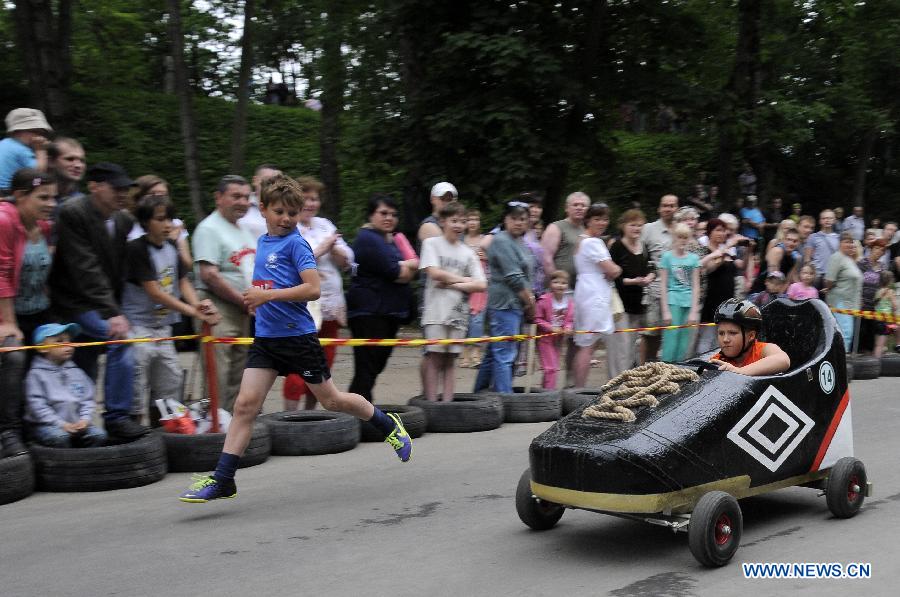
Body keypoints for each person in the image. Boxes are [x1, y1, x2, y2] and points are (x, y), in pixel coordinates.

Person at [178, 176, 412, 503]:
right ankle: (223, 479)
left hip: (298, 339)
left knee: (332, 401)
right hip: (267, 340)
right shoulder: (262, 242)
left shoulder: (296, 243)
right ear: (263, 210)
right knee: (245, 406)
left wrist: (267, 296)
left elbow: (312, 289)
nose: (286, 218)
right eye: (279, 211)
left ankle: (388, 424)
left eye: (292, 212)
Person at [48, 162, 147, 440]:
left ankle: (81, 424)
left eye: (125, 189)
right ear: (94, 187)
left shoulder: (124, 220)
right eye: (115, 188)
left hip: (102, 302)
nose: (121, 194)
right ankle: (116, 417)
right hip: (74, 303)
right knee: (119, 340)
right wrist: (112, 312)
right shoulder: (73, 213)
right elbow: (85, 268)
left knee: (85, 361)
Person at [123, 194, 220, 420]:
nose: (167, 225)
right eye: (160, 219)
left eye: (170, 219)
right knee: (138, 374)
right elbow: (154, 291)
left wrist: (198, 304)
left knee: (172, 376)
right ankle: (135, 423)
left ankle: (165, 422)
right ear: (146, 222)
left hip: (163, 326)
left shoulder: (170, 247)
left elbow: (182, 281)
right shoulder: (136, 249)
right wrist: (191, 311)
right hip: (138, 326)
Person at [281, 177, 354, 410]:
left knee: (324, 364)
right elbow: (294, 261)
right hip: (303, 306)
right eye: (306, 198)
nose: (311, 203)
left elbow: (347, 259)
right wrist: (325, 247)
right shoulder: (288, 227)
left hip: (330, 304)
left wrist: (338, 253)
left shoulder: (325, 224)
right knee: (298, 364)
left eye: (315, 198)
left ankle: (310, 417)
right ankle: (289, 418)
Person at [0, 169, 55, 457]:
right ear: (20, 195)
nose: (50, 203)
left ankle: (40, 425)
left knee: (54, 352)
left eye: (53, 198)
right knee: (15, 355)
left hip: (37, 309)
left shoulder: (44, 226)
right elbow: (2, 273)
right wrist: (9, 322)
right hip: (7, 312)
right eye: (42, 197)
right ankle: (8, 431)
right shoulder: (5, 219)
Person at [192, 175, 257, 412]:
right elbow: (209, 274)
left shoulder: (244, 230)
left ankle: (232, 422)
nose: (242, 202)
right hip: (218, 307)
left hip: (243, 309)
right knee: (217, 372)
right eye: (236, 196)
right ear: (219, 198)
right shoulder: (209, 229)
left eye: (246, 197)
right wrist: (244, 301)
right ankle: (215, 426)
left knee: (239, 373)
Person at [346, 194, 418, 402]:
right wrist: (408, 265)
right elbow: (400, 273)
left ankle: (357, 408)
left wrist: (408, 267)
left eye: (394, 214)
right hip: (369, 313)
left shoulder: (389, 239)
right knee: (367, 367)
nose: (389, 218)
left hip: (387, 312)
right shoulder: (368, 239)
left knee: (374, 366)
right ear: (371, 215)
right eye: (383, 213)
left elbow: (411, 270)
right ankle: (360, 412)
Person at [419, 201, 486, 401]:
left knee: (450, 359)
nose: (458, 225)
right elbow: (433, 272)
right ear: (443, 222)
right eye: (453, 221)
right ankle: (431, 402)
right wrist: (465, 280)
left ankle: (447, 404)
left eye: (462, 221)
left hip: (458, 313)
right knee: (434, 356)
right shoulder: (431, 244)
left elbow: (481, 284)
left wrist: (453, 284)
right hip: (435, 310)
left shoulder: (468, 252)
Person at [474, 201, 535, 394]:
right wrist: (530, 301)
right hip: (505, 304)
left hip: (516, 304)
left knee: (495, 353)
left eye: (523, 219)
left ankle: (478, 394)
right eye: (514, 218)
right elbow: (514, 277)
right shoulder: (501, 240)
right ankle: (505, 400)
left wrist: (527, 301)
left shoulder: (520, 242)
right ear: (505, 219)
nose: (518, 222)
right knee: (505, 354)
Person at [24, 323, 107, 448]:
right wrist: (61, 424)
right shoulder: (36, 375)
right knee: (59, 437)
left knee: (99, 435)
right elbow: (37, 406)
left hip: (76, 424)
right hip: (47, 425)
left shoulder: (77, 372)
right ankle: (62, 463)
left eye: (69, 340)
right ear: (42, 348)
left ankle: (88, 462)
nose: (68, 345)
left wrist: (84, 420)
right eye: (60, 341)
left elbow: (88, 399)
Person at [571, 203, 622, 387]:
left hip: (586, 290)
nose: (602, 223)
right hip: (593, 294)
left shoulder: (581, 240)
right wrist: (617, 268)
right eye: (597, 219)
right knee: (588, 345)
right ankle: (579, 390)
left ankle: (578, 388)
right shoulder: (593, 242)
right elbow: (613, 270)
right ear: (588, 220)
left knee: (586, 344)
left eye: (605, 219)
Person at [608, 209, 652, 376]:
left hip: (638, 303)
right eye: (632, 224)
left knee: (631, 346)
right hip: (620, 304)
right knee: (620, 347)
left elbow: (650, 267)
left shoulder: (643, 246)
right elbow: (614, 277)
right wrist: (633, 281)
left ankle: (626, 381)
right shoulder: (617, 247)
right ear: (623, 226)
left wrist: (650, 276)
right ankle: (614, 383)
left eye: (639, 225)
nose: (636, 228)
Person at [639, 194, 678, 362]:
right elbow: (640, 254)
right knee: (650, 333)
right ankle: (643, 369)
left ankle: (659, 370)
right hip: (655, 288)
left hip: (677, 290)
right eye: (665, 205)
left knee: (669, 334)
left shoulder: (682, 229)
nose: (668, 208)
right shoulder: (649, 229)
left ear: (677, 208)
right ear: (659, 208)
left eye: (672, 205)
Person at [696, 218, 744, 354]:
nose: (722, 233)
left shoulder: (728, 252)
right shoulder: (706, 250)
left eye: (724, 231)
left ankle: (715, 367)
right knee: (707, 337)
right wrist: (728, 247)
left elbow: (739, 269)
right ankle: (701, 365)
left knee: (722, 338)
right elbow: (709, 268)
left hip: (727, 301)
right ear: (709, 232)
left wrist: (749, 250)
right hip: (711, 300)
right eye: (718, 230)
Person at [709, 299, 790, 375]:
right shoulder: (718, 360)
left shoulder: (763, 350)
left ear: (751, 336)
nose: (725, 339)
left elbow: (783, 360)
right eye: (721, 333)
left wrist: (739, 371)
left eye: (732, 333)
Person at [127, 175, 193, 270]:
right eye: (153, 194)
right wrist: (168, 240)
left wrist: (176, 244)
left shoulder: (176, 224)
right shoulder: (129, 226)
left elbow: (188, 265)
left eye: (164, 195)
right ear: (139, 197)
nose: (159, 199)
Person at [659, 223, 700, 363]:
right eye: (679, 237)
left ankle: (679, 369)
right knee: (671, 338)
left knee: (684, 340)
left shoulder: (694, 259)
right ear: (674, 238)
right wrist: (665, 310)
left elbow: (696, 286)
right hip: (672, 301)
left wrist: (694, 311)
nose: (682, 240)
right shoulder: (667, 257)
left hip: (688, 302)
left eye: (685, 237)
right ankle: (665, 368)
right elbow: (663, 285)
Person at [534, 270, 575, 390]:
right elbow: (537, 319)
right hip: (545, 339)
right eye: (556, 282)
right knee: (550, 368)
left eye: (563, 283)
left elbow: (569, 320)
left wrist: (568, 328)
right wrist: (550, 328)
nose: (560, 285)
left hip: (558, 340)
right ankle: (550, 394)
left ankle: (545, 391)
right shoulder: (544, 300)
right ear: (550, 284)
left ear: (567, 285)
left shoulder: (569, 303)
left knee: (553, 368)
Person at [823, 232, 863, 352]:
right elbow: (829, 280)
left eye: (851, 242)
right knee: (845, 333)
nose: (850, 244)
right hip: (840, 301)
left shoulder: (849, 259)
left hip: (851, 302)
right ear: (840, 243)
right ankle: (842, 361)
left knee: (847, 333)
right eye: (846, 241)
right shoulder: (837, 257)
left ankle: (843, 359)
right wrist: (831, 288)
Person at [541, 191, 589, 288]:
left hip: (580, 287)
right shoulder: (556, 227)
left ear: (588, 210)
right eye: (575, 205)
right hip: (558, 289)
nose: (579, 208)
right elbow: (546, 258)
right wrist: (556, 283)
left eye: (583, 205)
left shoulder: (587, 230)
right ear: (567, 208)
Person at [461, 208, 487, 368]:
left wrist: (488, 257)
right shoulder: (460, 240)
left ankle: (476, 352)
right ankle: (464, 353)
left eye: (475, 219)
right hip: (463, 282)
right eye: (469, 219)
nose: (472, 222)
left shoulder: (485, 240)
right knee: (464, 319)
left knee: (477, 320)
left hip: (480, 284)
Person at [0, 108, 51, 191]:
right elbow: (38, 175)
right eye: (35, 131)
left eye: (42, 133)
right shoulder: (21, 150)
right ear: (17, 131)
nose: (40, 137)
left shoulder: (4, 143)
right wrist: (41, 150)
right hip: (8, 193)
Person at [856, 239, 887, 354]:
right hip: (862, 303)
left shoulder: (882, 267)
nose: (879, 251)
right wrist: (858, 297)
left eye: (882, 250)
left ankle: (868, 355)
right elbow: (856, 282)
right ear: (871, 249)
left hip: (875, 305)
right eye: (876, 248)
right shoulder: (862, 263)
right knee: (861, 330)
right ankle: (858, 352)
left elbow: (883, 285)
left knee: (871, 331)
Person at [237, 164, 282, 241]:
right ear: (255, 180)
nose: (272, 184)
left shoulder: (289, 210)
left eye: (277, 181)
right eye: (267, 180)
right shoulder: (238, 205)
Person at [750, 228, 800, 293]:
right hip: (760, 292)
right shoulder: (777, 251)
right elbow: (773, 279)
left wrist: (779, 296)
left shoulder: (795, 259)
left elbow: (787, 281)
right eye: (789, 240)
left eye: (795, 241)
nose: (791, 243)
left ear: (798, 243)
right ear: (784, 240)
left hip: (776, 293)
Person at [805, 209, 839, 288]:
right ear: (820, 221)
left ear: (834, 220)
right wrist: (809, 274)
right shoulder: (813, 237)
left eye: (830, 218)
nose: (827, 220)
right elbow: (807, 259)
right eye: (824, 218)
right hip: (817, 275)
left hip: (832, 276)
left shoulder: (839, 238)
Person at [47, 137, 86, 205]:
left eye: (82, 161)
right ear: (51, 161)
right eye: (70, 159)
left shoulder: (84, 204)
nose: (78, 165)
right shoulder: (34, 186)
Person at [872, 272, 897, 359]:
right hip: (885, 321)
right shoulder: (890, 292)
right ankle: (876, 363)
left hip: (876, 320)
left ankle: (879, 356)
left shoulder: (878, 292)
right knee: (880, 345)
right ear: (890, 281)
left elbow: (875, 304)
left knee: (877, 344)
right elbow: (895, 306)